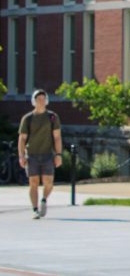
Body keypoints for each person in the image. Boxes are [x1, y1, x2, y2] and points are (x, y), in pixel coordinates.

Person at [18, 88, 62, 220]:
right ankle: (35, 209)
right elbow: (22, 138)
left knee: (49, 182)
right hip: (32, 155)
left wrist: (58, 154)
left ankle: (44, 200)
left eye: (43, 99)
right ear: (34, 101)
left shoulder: (52, 117)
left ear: (46, 101)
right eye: (38, 99)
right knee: (33, 183)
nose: (41, 101)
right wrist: (21, 156)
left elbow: (57, 137)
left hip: (48, 154)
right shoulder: (28, 118)